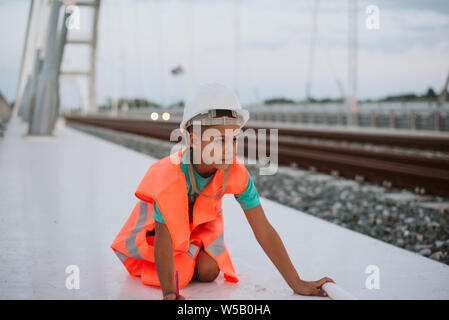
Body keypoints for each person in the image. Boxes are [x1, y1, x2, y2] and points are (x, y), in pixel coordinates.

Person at [111, 83, 335, 300]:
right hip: (158, 237)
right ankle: (182, 260)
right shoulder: (169, 177)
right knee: (172, 275)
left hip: (195, 231)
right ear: (193, 139)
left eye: (234, 138)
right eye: (219, 140)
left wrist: (296, 282)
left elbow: (263, 230)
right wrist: (170, 293)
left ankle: (192, 252)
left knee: (208, 272)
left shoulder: (236, 173)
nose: (229, 148)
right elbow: (164, 239)